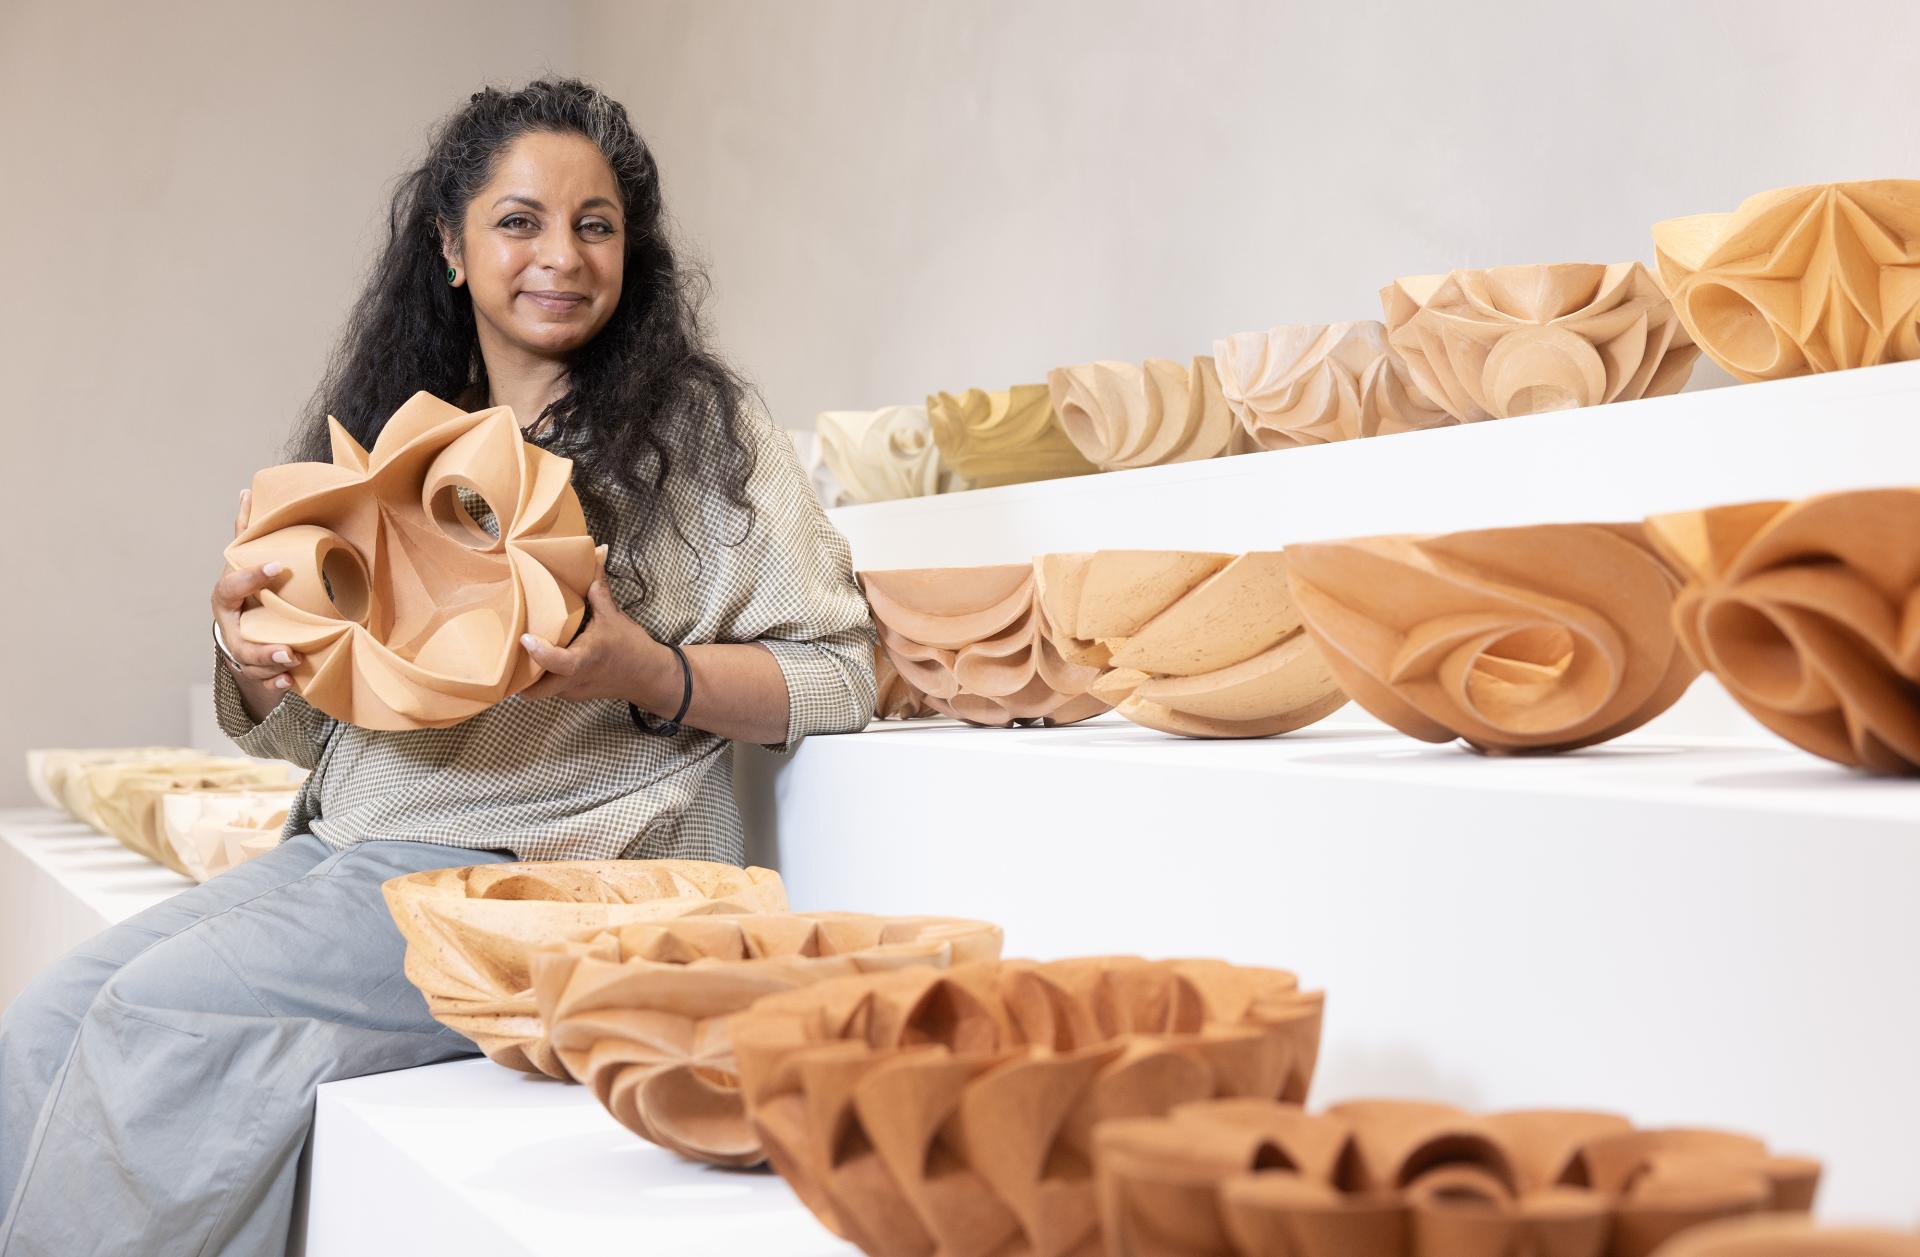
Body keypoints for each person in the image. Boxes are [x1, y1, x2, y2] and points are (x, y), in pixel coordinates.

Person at [0, 78, 876, 1256]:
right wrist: (253, 654)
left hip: (544, 874)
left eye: (595, 223)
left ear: (633, 250)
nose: (559, 254)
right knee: (45, 1024)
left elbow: (842, 674)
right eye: (519, 220)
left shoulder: (706, 443)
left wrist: (646, 670)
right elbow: (334, 722)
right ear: (452, 248)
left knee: (159, 1018)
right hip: (352, 851)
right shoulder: (410, 438)